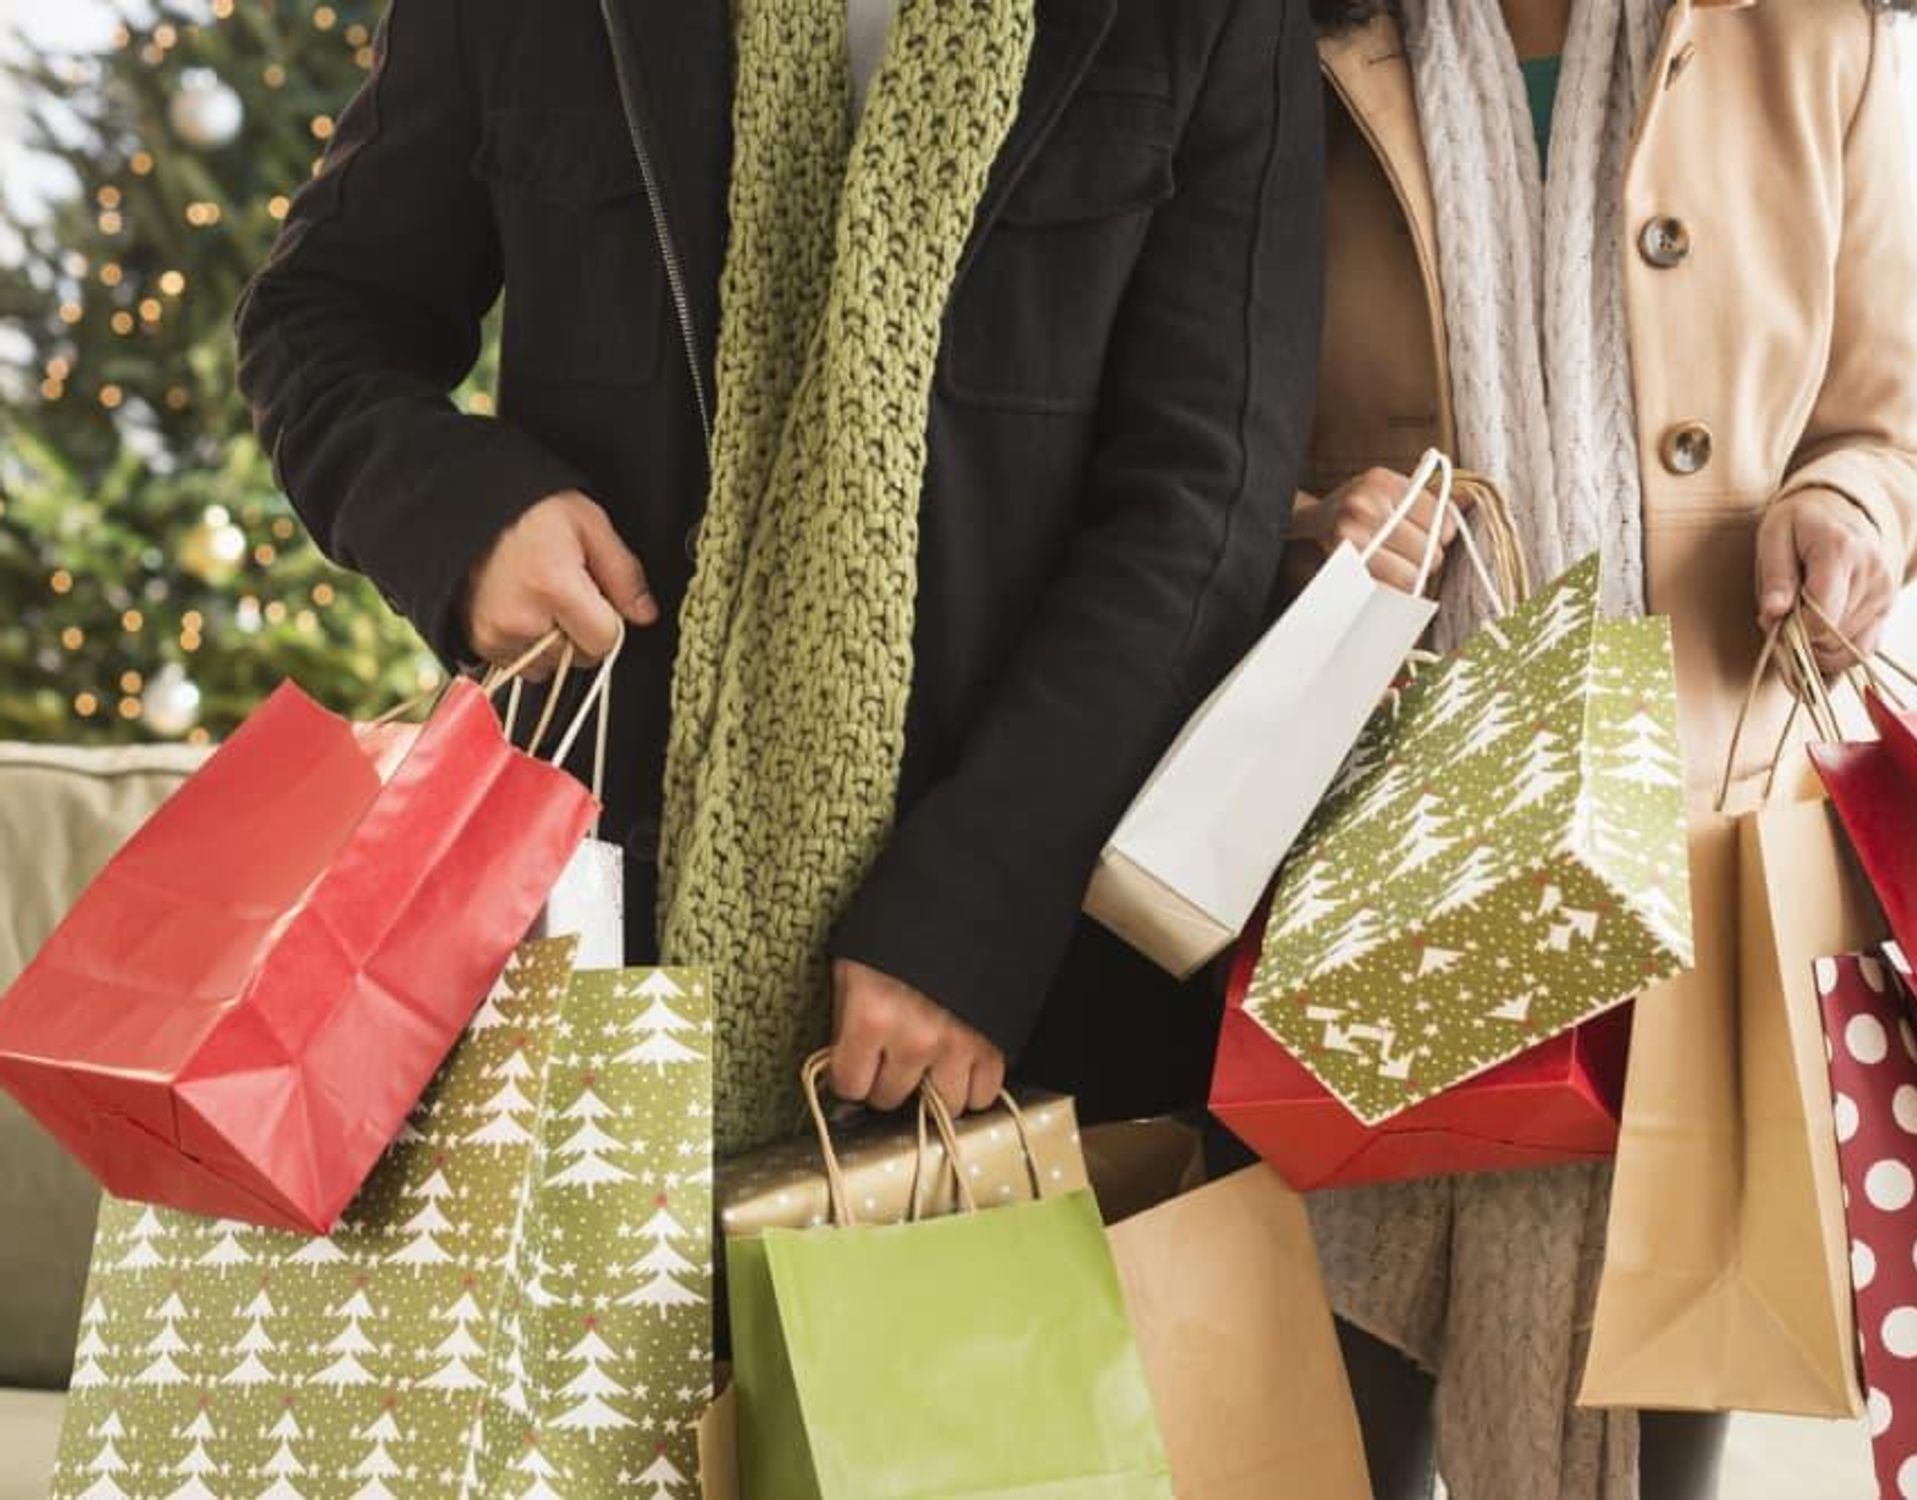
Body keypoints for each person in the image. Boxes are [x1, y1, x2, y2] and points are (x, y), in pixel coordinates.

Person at [236, 1, 1324, 1153]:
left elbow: (1203, 502)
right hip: (596, 939)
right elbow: (320, 319)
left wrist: (977, 909)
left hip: (1027, 980)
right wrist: (463, 517)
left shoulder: (1212, 18)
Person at [1282, 0, 1917, 1495]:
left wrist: (1848, 517)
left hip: (1692, 885)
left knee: (1641, 1447)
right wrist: (1323, 536)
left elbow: (1885, 436)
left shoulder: (1810, 31)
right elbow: (1188, 451)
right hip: (1366, 857)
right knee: (1331, 1442)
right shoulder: (1290, 37)